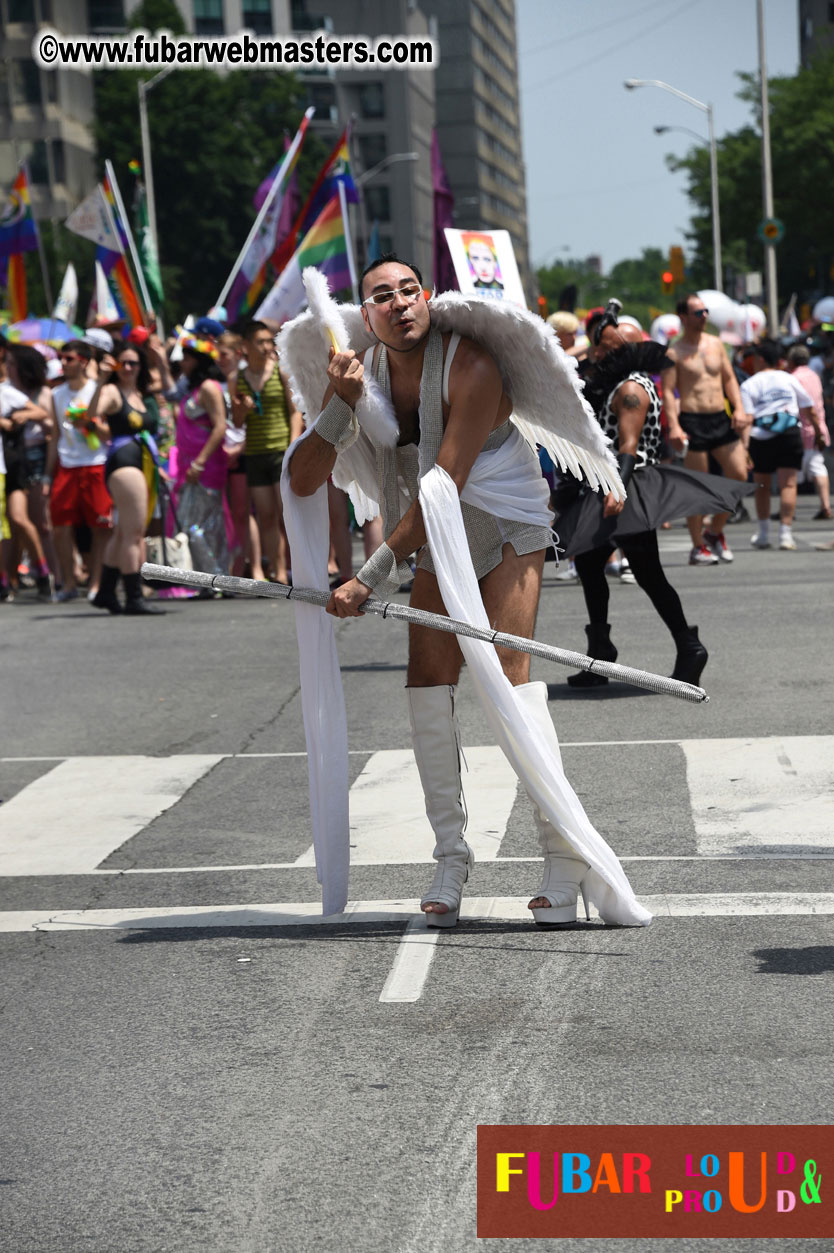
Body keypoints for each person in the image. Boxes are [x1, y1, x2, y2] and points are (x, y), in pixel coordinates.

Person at [285, 254, 649, 930]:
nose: (399, 303)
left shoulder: (472, 363)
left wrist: (368, 577)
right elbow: (302, 478)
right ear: (365, 315)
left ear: (427, 297)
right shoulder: (358, 371)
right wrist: (340, 404)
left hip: (501, 519)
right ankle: (450, 859)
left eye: (409, 290)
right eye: (382, 296)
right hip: (430, 529)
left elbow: (444, 485)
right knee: (427, 681)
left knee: (509, 682)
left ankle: (563, 856)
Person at [561, 316, 708, 688]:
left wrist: (618, 489)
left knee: (648, 574)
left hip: (626, 486)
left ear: (626, 351)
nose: (598, 353)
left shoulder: (631, 388)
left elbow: (628, 445)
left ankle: (689, 647)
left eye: (606, 348)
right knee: (591, 564)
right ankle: (601, 651)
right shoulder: (621, 383)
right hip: (612, 484)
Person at [661, 293, 750, 565]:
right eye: (698, 313)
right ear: (684, 317)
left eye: (705, 311)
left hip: (719, 418)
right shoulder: (674, 352)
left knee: (739, 475)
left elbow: (729, 379)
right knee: (699, 487)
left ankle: (714, 532)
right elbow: (668, 392)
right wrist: (674, 426)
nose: (705, 316)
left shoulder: (716, 344)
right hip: (693, 421)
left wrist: (739, 408)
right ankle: (698, 546)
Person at [87, 342, 163, 615]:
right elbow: (91, 413)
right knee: (134, 534)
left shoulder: (142, 395)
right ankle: (133, 597)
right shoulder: (112, 391)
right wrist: (101, 379)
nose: (128, 368)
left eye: (134, 363)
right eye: (123, 362)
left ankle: (106, 592)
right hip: (124, 464)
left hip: (142, 464)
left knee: (123, 532)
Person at [230, 321, 302, 584]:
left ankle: (298, 570)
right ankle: (278, 571)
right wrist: (243, 409)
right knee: (266, 516)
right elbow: (237, 422)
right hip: (255, 453)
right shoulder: (236, 379)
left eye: (268, 341)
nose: (266, 346)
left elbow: (295, 413)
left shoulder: (280, 372)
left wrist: (292, 446)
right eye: (259, 342)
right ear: (245, 346)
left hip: (281, 451)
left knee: (287, 515)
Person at [48, 340, 113, 602]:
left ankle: (96, 583)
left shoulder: (99, 390)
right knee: (60, 527)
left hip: (96, 463)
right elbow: (54, 436)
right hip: (67, 466)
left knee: (100, 527)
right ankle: (69, 583)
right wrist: (46, 474)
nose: (63, 363)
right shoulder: (56, 394)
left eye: (69, 359)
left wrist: (88, 423)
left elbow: (108, 433)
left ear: (84, 362)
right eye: (61, 358)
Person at [742, 339, 819, 551]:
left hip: (760, 437)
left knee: (762, 487)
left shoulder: (750, 384)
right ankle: (786, 535)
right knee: (789, 485)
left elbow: (747, 419)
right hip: (789, 433)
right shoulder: (789, 379)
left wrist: (744, 447)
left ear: (760, 359)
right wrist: (819, 433)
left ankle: (763, 534)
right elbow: (809, 408)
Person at [3, 344, 56, 601]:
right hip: (13, 461)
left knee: (23, 520)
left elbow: (44, 415)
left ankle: (45, 573)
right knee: (8, 527)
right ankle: (8, 580)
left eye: (11, 363)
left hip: (19, 464)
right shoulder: (9, 389)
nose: (7, 367)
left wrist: (20, 416)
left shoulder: (8, 392)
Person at [786, 344, 831, 520]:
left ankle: (788, 510)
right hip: (818, 428)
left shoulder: (793, 378)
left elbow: (805, 407)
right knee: (818, 467)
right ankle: (825, 505)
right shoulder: (814, 375)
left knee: (792, 472)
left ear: (791, 360)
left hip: (800, 429)